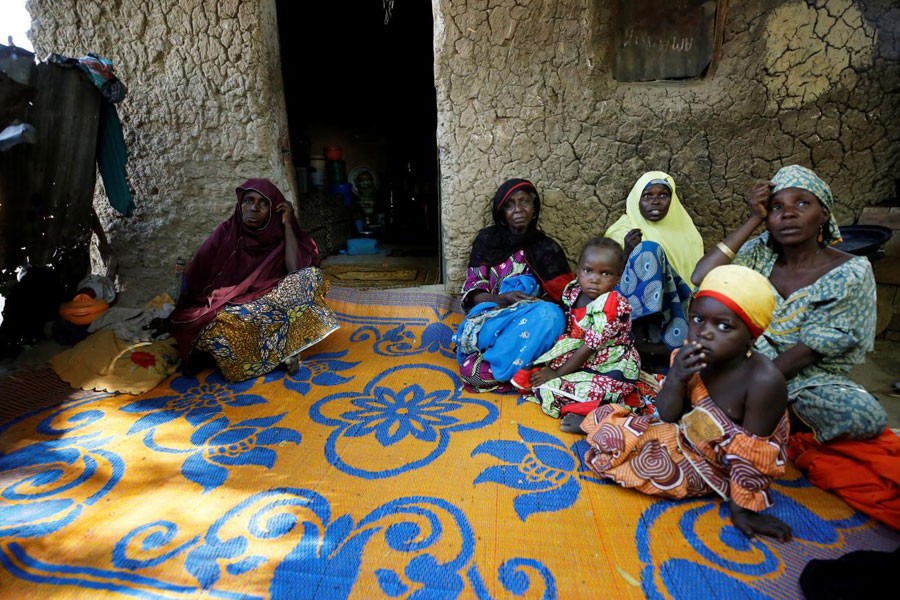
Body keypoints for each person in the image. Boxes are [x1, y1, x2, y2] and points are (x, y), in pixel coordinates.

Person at [582, 265, 792, 541]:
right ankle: (596, 426)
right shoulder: (688, 358)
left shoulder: (763, 381)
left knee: (636, 466)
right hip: (687, 435)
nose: (704, 332)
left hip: (720, 465)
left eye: (724, 325)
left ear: (752, 335)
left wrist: (743, 508)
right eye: (697, 319)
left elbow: (754, 456)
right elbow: (669, 415)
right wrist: (677, 377)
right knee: (613, 429)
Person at [691, 165, 888, 443]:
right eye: (776, 208)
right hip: (738, 365)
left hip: (807, 381)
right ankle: (752, 416)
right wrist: (752, 220)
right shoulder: (761, 253)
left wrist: (746, 389)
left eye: (802, 203)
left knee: (863, 415)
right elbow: (702, 277)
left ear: (824, 214)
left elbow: (807, 353)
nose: (788, 214)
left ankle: (755, 414)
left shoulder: (850, 273)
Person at [169, 178, 339, 382]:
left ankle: (279, 349)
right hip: (232, 308)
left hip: (269, 303)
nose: (254, 208)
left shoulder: (280, 236)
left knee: (311, 278)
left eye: (263, 203)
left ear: (274, 210)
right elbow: (201, 276)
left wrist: (287, 225)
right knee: (219, 330)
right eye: (248, 201)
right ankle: (280, 352)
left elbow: (296, 270)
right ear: (240, 205)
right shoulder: (227, 232)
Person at [453, 178, 573, 392]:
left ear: (534, 208)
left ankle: (494, 369)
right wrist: (502, 299)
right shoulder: (488, 241)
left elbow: (566, 297)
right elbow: (472, 292)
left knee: (552, 316)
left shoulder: (547, 248)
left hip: (531, 323)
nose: (518, 209)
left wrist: (531, 304)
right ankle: (518, 370)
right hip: (492, 317)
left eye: (524, 202)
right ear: (501, 213)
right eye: (509, 205)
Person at [512, 237, 642, 422]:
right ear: (578, 271)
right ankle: (583, 409)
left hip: (610, 363)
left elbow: (588, 347)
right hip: (578, 354)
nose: (595, 279)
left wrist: (557, 373)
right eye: (588, 271)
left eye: (605, 274)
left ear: (617, 278)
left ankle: (594, 416)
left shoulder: (612, 307)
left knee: (553, 387)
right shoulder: (573, 291)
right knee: (533, 373)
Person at [605, 171, 704, 371]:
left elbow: (696, 283)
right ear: (637, 200)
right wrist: (627, 254)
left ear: (672, 200)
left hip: (677, 310)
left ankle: (666, 342)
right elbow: (605, 281)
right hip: (631, 317)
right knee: (648, 250)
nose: (655, 202)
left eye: (663, 195)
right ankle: (639, 338)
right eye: (647, 196)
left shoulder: (689, 234)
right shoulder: (622, 231)